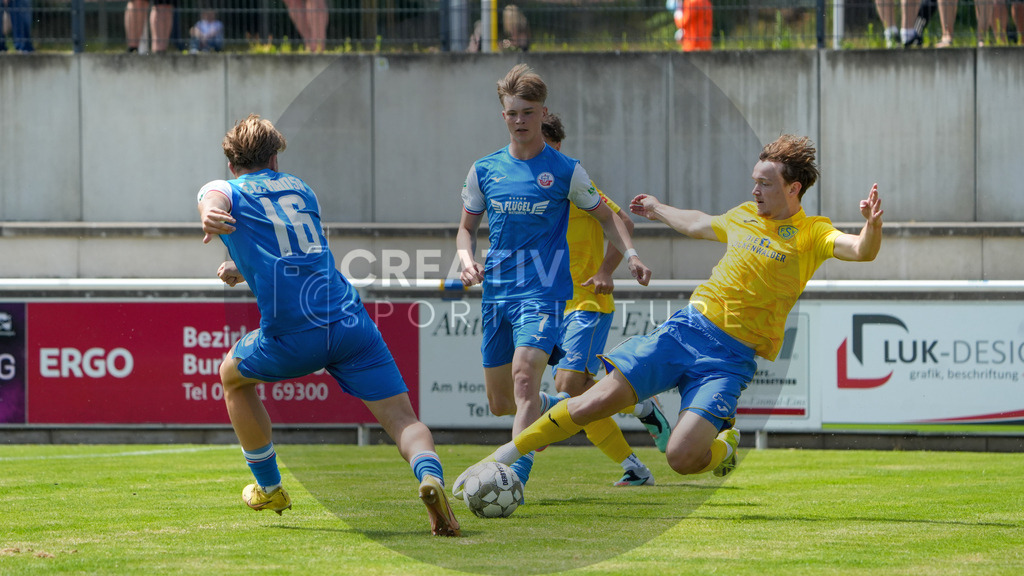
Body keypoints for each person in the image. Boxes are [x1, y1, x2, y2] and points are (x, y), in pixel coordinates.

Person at [457, 134, 883, 487]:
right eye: (754, 181)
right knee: (588, 402)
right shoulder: (743, 216)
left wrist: (872, 227)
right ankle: (503, 457)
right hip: (686, 330)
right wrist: (658, 209)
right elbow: (698, 222)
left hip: (729, 360)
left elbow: (860, 250)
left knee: (681, 457)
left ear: (793, 189)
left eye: (765, 184)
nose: (754, 190)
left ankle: (725, 444)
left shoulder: (813, 232)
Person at [198, 114, 459, 537]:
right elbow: (297, 253)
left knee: (231, 376)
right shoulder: (302, 189)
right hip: (350, 323)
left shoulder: (227, 189)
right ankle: (430, 478)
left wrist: (210, 214)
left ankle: (270, 488)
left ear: (231, 164)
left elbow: (213, 195)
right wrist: (242, 267)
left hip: (294, 335)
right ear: (276, 158)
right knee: (401, 419)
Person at [453, 64, 652, 500]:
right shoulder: (484, 170)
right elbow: (466, 228)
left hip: (543, 294)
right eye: (511, 113)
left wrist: (630, 257)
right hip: (496, 295)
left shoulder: (565, 171)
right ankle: (555, 408)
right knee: (502, 403)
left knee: (525, 379)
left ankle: (514, 476)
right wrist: (465, 260)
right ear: (503, 115)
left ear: (543, 113)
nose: (519, 120)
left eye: (527, 112)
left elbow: (610, 218)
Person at [541, 113, 672, 487]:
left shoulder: (572, 182)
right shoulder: (526, 190)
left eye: (542, 146)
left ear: (557, 147)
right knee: (580, 398)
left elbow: (624, 224)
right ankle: (635, 463)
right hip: (549, 306)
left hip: (585, 303)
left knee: (566, 391)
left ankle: (641, 409)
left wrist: (604, 272)